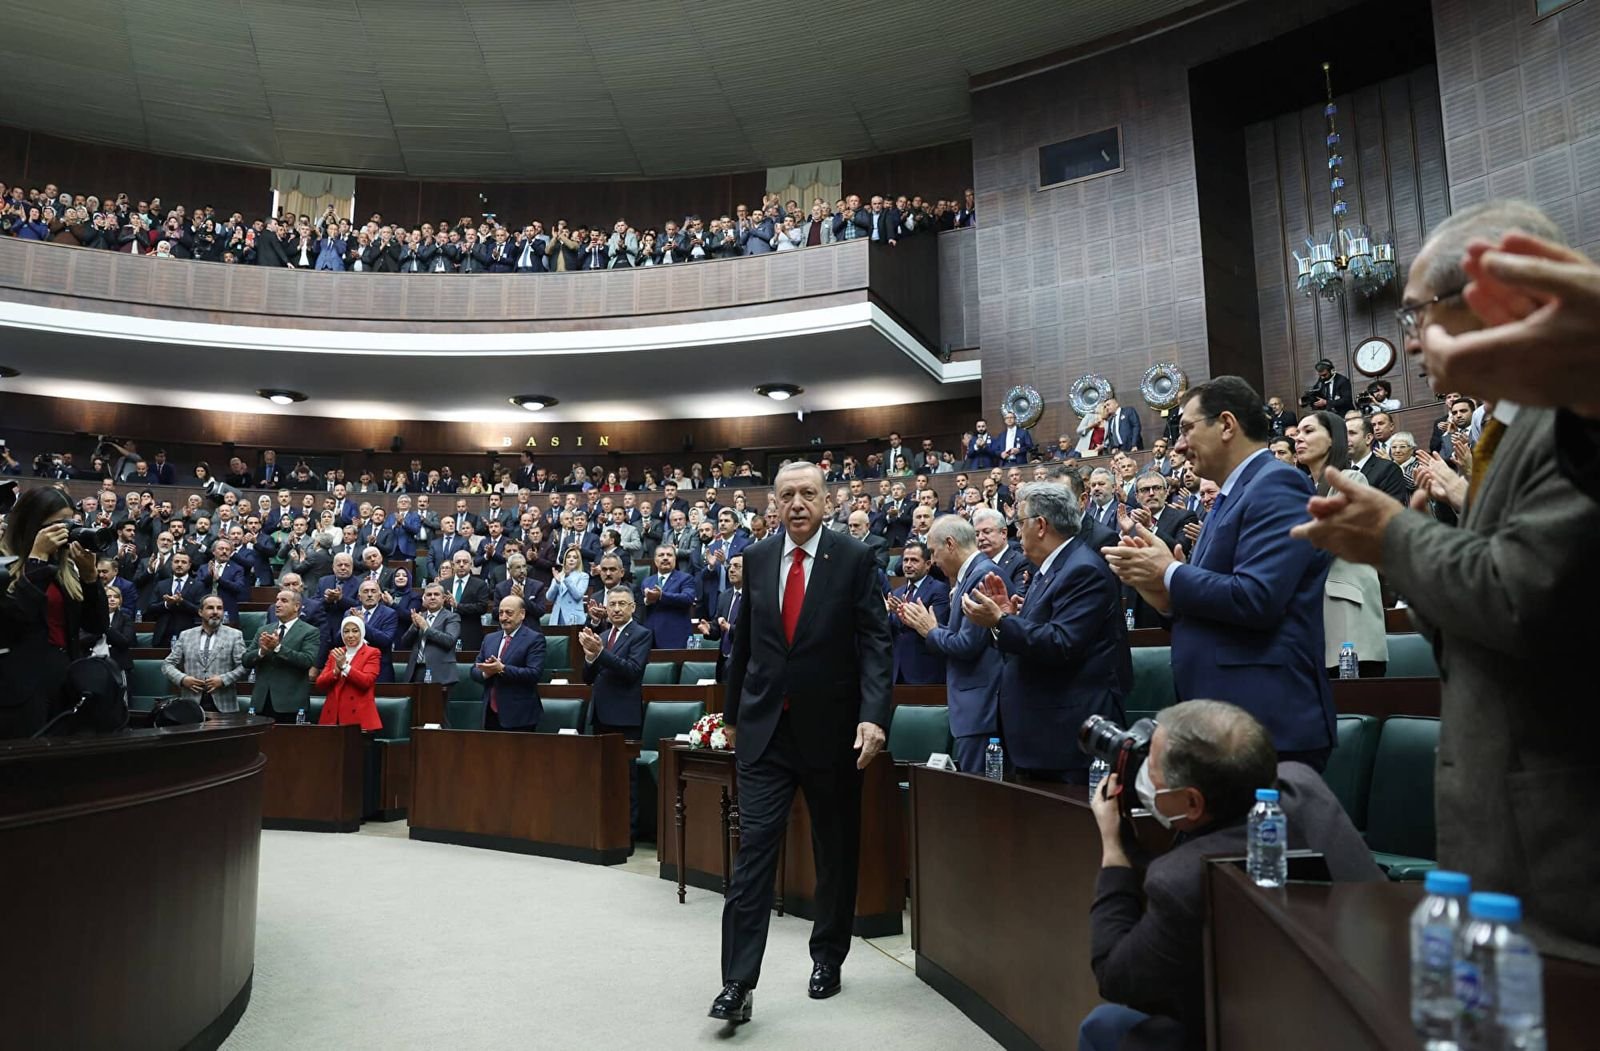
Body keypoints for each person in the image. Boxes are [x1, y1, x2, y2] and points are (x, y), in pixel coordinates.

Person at [1291, 200, 1600, 959]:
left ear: (1492, 299)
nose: (1410, 338)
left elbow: (1521, 597)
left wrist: (1394, 538)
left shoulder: (1570, 422)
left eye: (1417, 311)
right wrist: (1393, 546)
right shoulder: (1507, 427)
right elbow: (1470, 615)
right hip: (1501, 828)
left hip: (1565, 843)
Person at [1079, 701, 1382, 1051]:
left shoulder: (1179, 881)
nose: (1143, 770)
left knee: (1103, 1025)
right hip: (1362, 1013)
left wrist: (1113, 847)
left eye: (1151, 765)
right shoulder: (1303, 782)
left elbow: (1115, 977)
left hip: (1267, 1034)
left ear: (1193, 803)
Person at [711, 462, 892, 1024]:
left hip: (832, 733)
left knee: (833, 852)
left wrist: (873, 717)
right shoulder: (758, 557)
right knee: (753, 856)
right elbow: (744, 643)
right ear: (773, 503)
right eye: (786, 494)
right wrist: (732, 715)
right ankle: (737, 983)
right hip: (765, 731)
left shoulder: (855, 558)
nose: (797, 503)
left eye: (808, 494)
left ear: (826, 500)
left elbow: (875, 643)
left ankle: (828, 957)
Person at [1102, 376, 1335, 769]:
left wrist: (1171, 572)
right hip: (1224, 721)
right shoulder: (1230, 495)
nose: (1178, 445)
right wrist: (1162, 594)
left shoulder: (1277, 483)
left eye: (1186, 429)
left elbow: (1256, 598)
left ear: (1226, 425)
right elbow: (1215, 603)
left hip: (1266, 722)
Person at [959, 482, 1130, 781]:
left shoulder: (1082, 569)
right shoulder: (1049, 569)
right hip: (1042, 735)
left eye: (1019, 523)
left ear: (1040, 525)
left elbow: (1062, 643)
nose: (1016, 532)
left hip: (1066, 736)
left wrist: (1000, 621)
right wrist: (1010, 617)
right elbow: (1039, 633)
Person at [0, 486, 109, 738]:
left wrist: (90, 578)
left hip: (63, 682)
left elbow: (96, 625)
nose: (65, 532)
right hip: (17, 689)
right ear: (31, 525)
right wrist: (35, 560)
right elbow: (11, 623)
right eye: (56, 525)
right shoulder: (4, 564)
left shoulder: (61, 568)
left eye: (70, 523)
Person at [894, 516, 1000, 773]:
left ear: (950, 544)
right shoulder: (970, 576)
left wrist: (930, 631)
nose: (933, 560)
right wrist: (933, 628)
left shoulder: (981, 575)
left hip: (980, 707)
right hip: (971, 707)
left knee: (979, 790)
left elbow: (967, 645)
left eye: (933, 551)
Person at [1292, 413, 1387, 678]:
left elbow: (1330, 539)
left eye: (1308, 431)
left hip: (1346, 609)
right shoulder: (1303, 490)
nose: (1298, 438)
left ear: (1333, 439)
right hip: (1313, 613)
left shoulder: (1353, 480)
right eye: (1297, 432)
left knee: (1354, 695)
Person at [580, 586, 654, 839]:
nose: (617, 609)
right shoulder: (602, 634)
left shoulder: (641, 634)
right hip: (600, 714)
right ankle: (604, 832)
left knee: (625, 779)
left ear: (633, 607)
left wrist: (600, 653)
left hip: (624, 717)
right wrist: (590, 657)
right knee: (603, 777)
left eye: (622, 604)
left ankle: (627, 836)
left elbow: (632, 671)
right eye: (612, 604)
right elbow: (587, 677)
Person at [241, 587, 320, 723]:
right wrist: (262, 652)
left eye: (284, 601)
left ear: (296, 607)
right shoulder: (264, 630)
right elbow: (245, 660)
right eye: (277, 600)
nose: (277, 604)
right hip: (262, 702)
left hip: (290, 704)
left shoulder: (309, 631)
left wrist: (278, 648)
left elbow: (307, 661)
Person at [471, 596, 545, 731]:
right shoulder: (490, 638)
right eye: (500, 613)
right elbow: (474, 670)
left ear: (522, 614)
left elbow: (534, 673)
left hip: (520, 716)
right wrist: (486, 673)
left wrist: (502, 669)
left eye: (509, 613)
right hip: (490, 713)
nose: (503, 618)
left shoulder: (534, 639)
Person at [162, 595, 247, 712]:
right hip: (191, 704)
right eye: (210, 608)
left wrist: (224, 680)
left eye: (219, 608)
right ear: (200, 612)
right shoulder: (186, 635)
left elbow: (244, 665)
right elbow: (167, 664)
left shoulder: (235, 635)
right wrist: (183, 679)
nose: (215, 612)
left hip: (224, 704)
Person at [885, 541, 948, 685]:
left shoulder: (939, 590)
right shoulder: (897, 592)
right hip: (897, 671)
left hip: (925, 670)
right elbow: (892, 630)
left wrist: (904, 611)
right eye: (905, 560)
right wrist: (885, 614)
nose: (908, 565)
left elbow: (936, 627)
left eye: (914, 560)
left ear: (927, 564)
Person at [315, 616, 383, 730]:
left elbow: (366, 682)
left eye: (355, 631)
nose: (350, 635)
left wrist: (345, 667)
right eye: (346, 631)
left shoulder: (372, 653)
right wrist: (335, 672)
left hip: (359, 718)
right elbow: (320, 683)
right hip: (333, 717)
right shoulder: (336, 653)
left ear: (362, 632)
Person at [693, 551, 744, 681]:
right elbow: (718, 628)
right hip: (724, 663)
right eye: (730, 566)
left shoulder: (755, 597)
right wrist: (709, 629)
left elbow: (755, 631)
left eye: (737, 566)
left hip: (745, 664)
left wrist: (730, 628)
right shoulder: (724, 596)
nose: (731, 570)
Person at [399, 583, 461, 685]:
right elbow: (404, 643)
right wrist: (414, 627)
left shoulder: (452, 617)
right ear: (424, 599)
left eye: (436, 594)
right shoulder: (420, 616)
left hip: (441, 674)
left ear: (443, 598)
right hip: (417, 671)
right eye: (429, 595)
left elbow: (449, 641)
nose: (432, 597)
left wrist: (426, 629)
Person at [636, 544, 696, 648]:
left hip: (675, 636)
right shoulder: (647, 581)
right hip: (649, 636)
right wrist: (647, 601)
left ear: (675, 559)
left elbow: (688, 598)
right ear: (655, 560)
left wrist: (661, 596)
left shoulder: (686, 578)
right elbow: (639, 606)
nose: (665, 558)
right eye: (661, 555)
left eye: (669, 555)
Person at [546, 546, 591, 625]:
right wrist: (557, 583)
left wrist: (567, 578)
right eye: (568, 557)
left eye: (575, 557)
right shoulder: (558, 576)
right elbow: (549, 598)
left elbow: (578, 595)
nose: (571, 559)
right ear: (565, 560)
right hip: (557, 616)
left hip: (574, 617)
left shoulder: (583, 576)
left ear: (578, 561)